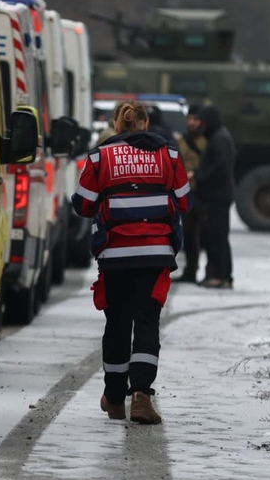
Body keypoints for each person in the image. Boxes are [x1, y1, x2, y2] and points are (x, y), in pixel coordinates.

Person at [72, 100, 191, 424]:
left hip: (115, 255)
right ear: (145, 123)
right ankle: (141, 396)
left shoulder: (100, 156)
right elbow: (183, 201)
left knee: (118, 323)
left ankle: (113, 398)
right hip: (155, 255)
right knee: (147, 321)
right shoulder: (169, 155)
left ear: (116, 123)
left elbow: (82, 205)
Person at [195, 105, 235, 289]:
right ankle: (218, 274)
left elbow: (220, 168)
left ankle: (222, 275)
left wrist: (199, 175)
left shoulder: (220, 139)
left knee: (218, 237)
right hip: (215, 196)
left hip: (218, 197)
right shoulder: (219, 137)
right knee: (214, 236)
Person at [172, 104, 208, 283]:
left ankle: (210, 272)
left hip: (202, 191)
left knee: (205, 234)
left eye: (195, 119)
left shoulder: (206, 140)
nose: (192, 123)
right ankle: (190, 270)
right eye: (189, 119)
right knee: (188, 233)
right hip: (186, 192)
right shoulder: (182, 140)